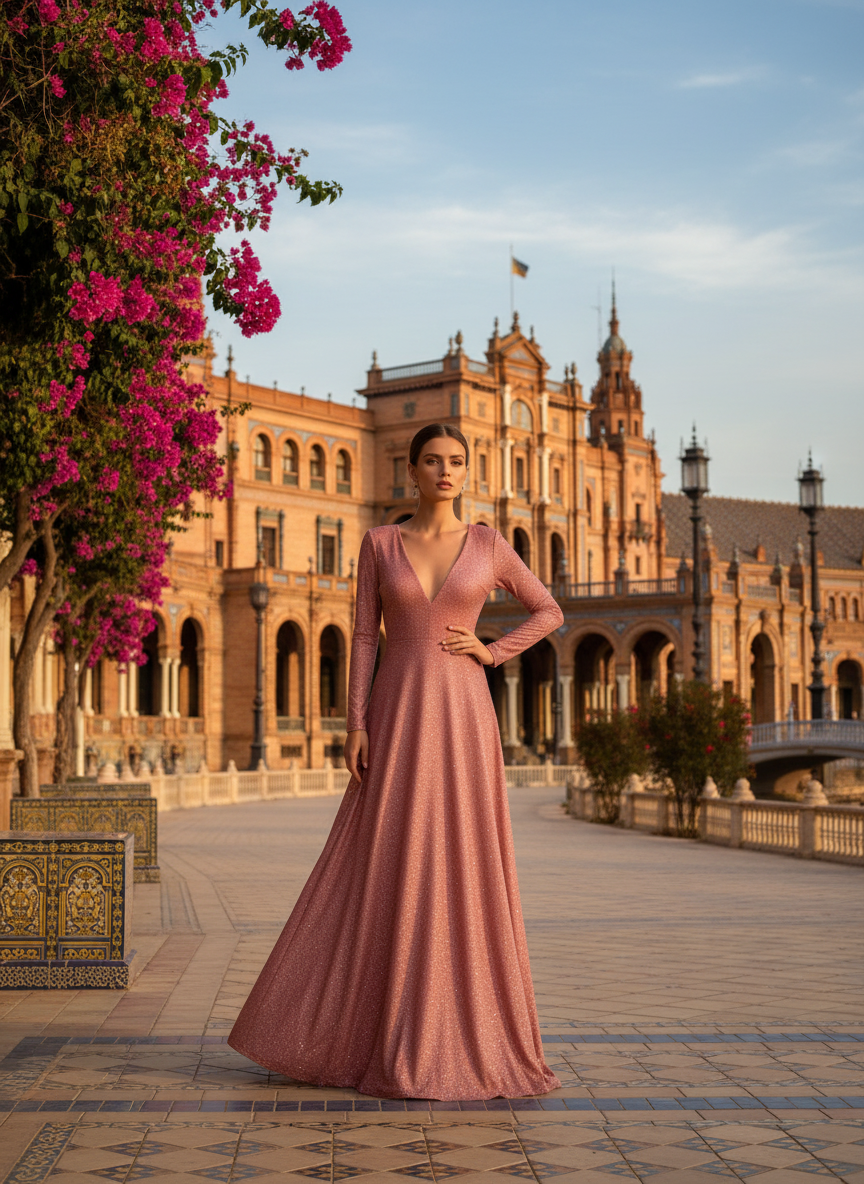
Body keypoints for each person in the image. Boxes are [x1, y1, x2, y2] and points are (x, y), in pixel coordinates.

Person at [228, 423, 563, 1101]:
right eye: (434, 461)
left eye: (458, 462)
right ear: (410, 470)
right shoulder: (380, 543)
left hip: (466, 716)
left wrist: (492, 651)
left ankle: (460, 1026)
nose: (446, 471)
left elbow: (549, 610)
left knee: (462, 857)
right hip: (397, 713)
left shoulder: (490, 543)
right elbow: (360, 634)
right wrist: (354, 723)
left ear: (468, 472)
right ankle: (358, 1027)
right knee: (382, 855)